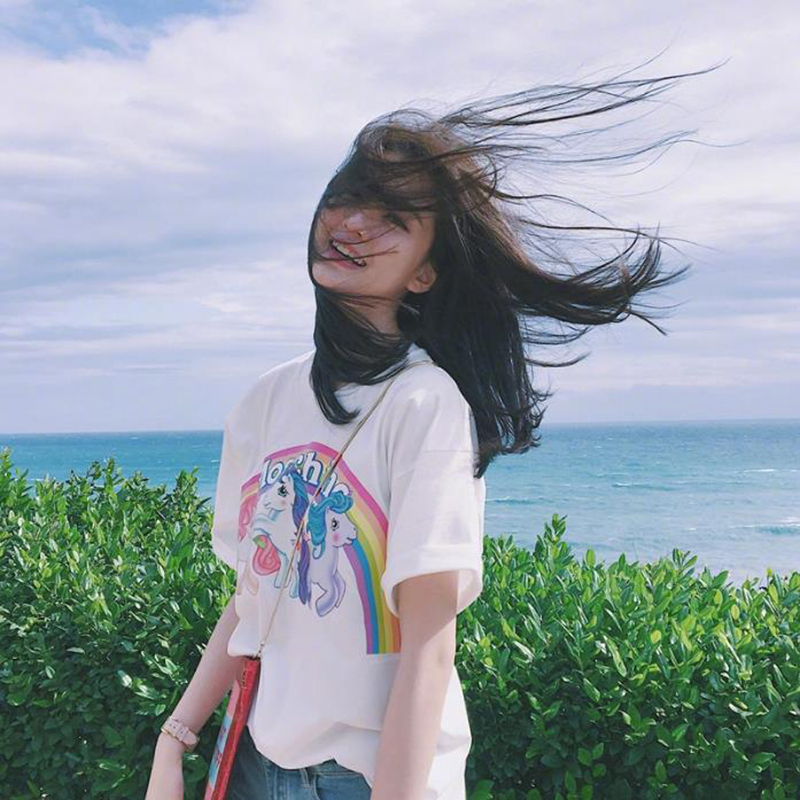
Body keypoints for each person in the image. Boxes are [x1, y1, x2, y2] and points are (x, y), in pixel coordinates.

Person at [145, 59, 718, 800]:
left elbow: (428, 646)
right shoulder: (265, 401)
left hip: (362, 780)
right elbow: (253, 600)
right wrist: (174, 738)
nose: (354, 222)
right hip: (256, 764)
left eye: (394, 217)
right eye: (348, 197)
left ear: (424, 273)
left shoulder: (425, 405)